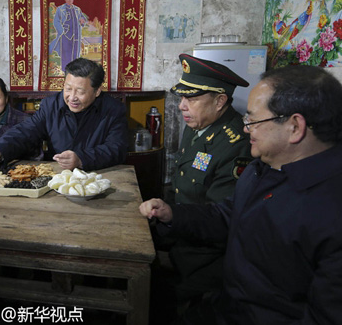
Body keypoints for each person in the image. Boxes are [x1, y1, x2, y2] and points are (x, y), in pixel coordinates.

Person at [140, 65, 342, 324]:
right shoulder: (263, 168)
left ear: (295, 126)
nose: (246, 129)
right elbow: (228, 214)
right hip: (227, 303)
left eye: (253, 121)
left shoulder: (330, 208)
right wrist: (172, 215)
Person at [156, 54, 252, 317]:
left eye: (192, 99)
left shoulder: (236, 144)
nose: (181, 107)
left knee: (154, 297)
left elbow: (221, 220)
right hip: (180, 235)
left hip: (205, 255)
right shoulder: (199, 125)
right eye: (182, 98)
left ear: (220, 101)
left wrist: (171, 216)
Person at [0, 58, 128, 171]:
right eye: (68, 89)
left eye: (80, 92)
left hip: (100, 176)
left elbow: (116, 149)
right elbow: (25, 132)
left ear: (97, 91)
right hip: (58, 179)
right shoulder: (51, 105)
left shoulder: (113, 110)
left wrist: (81, 159)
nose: (72, 97)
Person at [49, 0, 88, 74]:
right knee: (66, 53)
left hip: (76, 34)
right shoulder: (60, 9)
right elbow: (56, 21)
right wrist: (62, 31)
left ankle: (75, 70)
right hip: (66, 35)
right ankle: (66, 70)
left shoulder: (77, 9)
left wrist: (82, 21)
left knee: (75, 52)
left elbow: (82, 18)